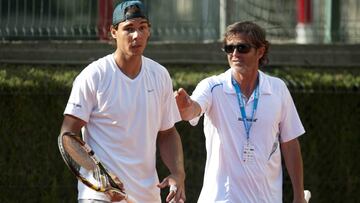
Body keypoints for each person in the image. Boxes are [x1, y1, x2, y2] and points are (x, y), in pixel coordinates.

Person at [60, 1, 186, 202]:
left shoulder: (160, 75)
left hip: (147, 195)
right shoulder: (94, 75)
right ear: (113, 32)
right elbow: (68, 135)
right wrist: (100, 174)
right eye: (129, 29)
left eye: (142, 28)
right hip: (99, 197)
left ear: (149, 31)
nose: (137, 35)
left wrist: (178, 173)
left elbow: (168, 132)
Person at [175, 21, 306, 203]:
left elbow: (290, 143)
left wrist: (299, 196)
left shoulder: (278, 89)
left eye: (242, 48)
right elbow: (192, 111)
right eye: (229, 48)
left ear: (260, 51)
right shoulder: (212, 86)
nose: (235, 54)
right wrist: (185, 106)